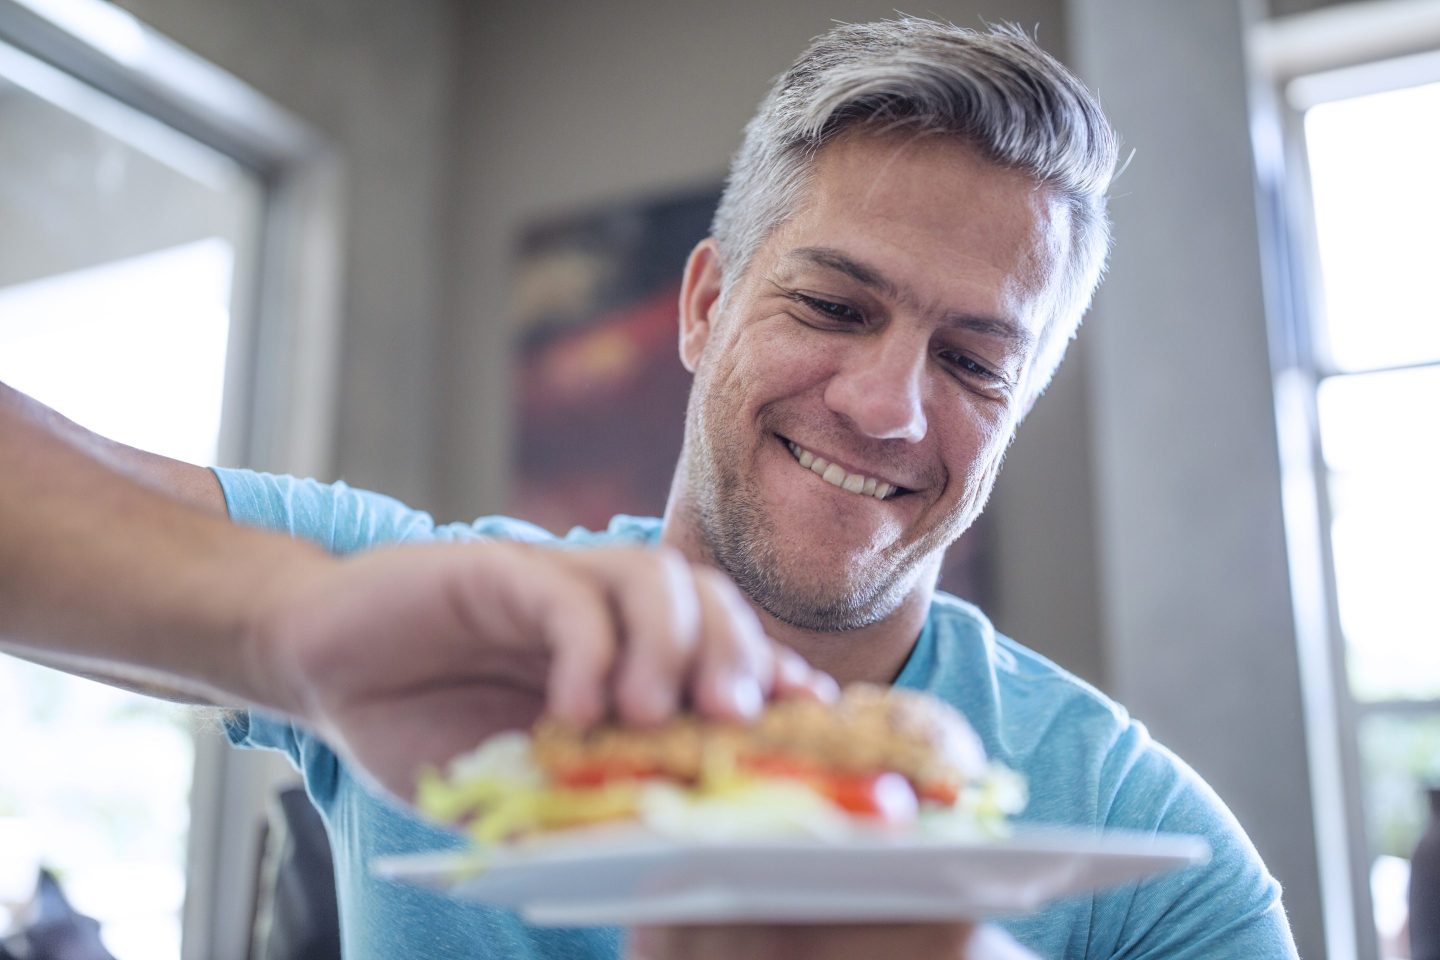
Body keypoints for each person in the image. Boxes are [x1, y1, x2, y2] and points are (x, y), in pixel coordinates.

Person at [0, 16, 1299, 960]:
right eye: (833, 306)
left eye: (972, 361)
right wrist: (289, 629)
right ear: (703, 305)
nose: (888, 407)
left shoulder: (1150, 856)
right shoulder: (447, 616)